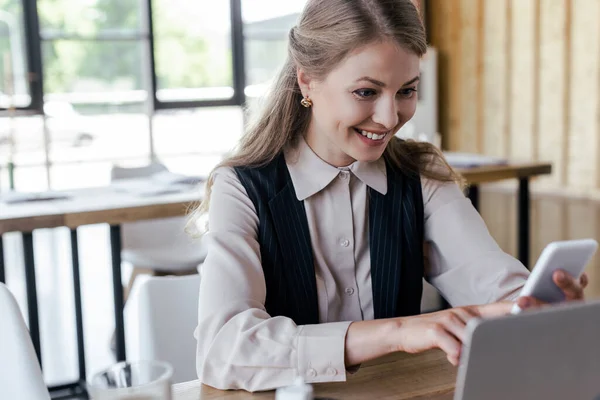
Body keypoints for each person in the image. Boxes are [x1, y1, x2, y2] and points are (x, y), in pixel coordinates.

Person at [190, 0, 587, 391]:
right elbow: (222, 350)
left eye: (406, 91)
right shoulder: (242, 187)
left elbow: (490, 280)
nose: (390, 117)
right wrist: (397, 332)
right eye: (366, 92)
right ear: (306, 79)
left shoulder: (420, 175)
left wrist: (536, 307)